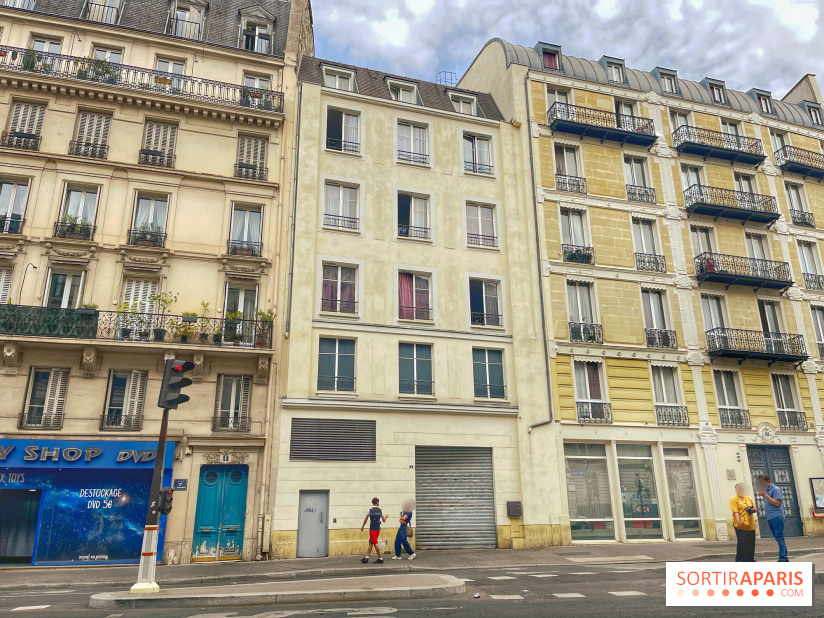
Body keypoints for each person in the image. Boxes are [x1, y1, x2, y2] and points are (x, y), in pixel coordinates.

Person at [756, 473, 788, 562]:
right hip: (770, 517)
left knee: (780, 537)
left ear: (768, 481)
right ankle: (784, 558)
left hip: (777, 516)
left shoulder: (776, 490)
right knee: (778, 538)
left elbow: (777, 503)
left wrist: (765, 495)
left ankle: (783, 558)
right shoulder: (766, 491)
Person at [729, 483, 756, 562]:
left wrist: (752, 509)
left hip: (750, 523)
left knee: (751, 542)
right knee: (742, 542)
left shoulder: (748, 498)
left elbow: (755, 509)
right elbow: (735, 511)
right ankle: (740, 560)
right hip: (740, 524)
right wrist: (738, 520)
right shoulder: (734, 499)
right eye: (739, 489)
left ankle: (750, 559)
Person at [360, 497, 388, 564]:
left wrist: (363, 526)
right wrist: (386, 516)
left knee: (375, 543)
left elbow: (366, 519)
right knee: (371, 542)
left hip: (372, 529)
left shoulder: (369, 510)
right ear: (377, 502)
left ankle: (380, 558)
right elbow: (384, 520)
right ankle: (367, 557)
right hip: (378, 529)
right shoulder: (381, 511)